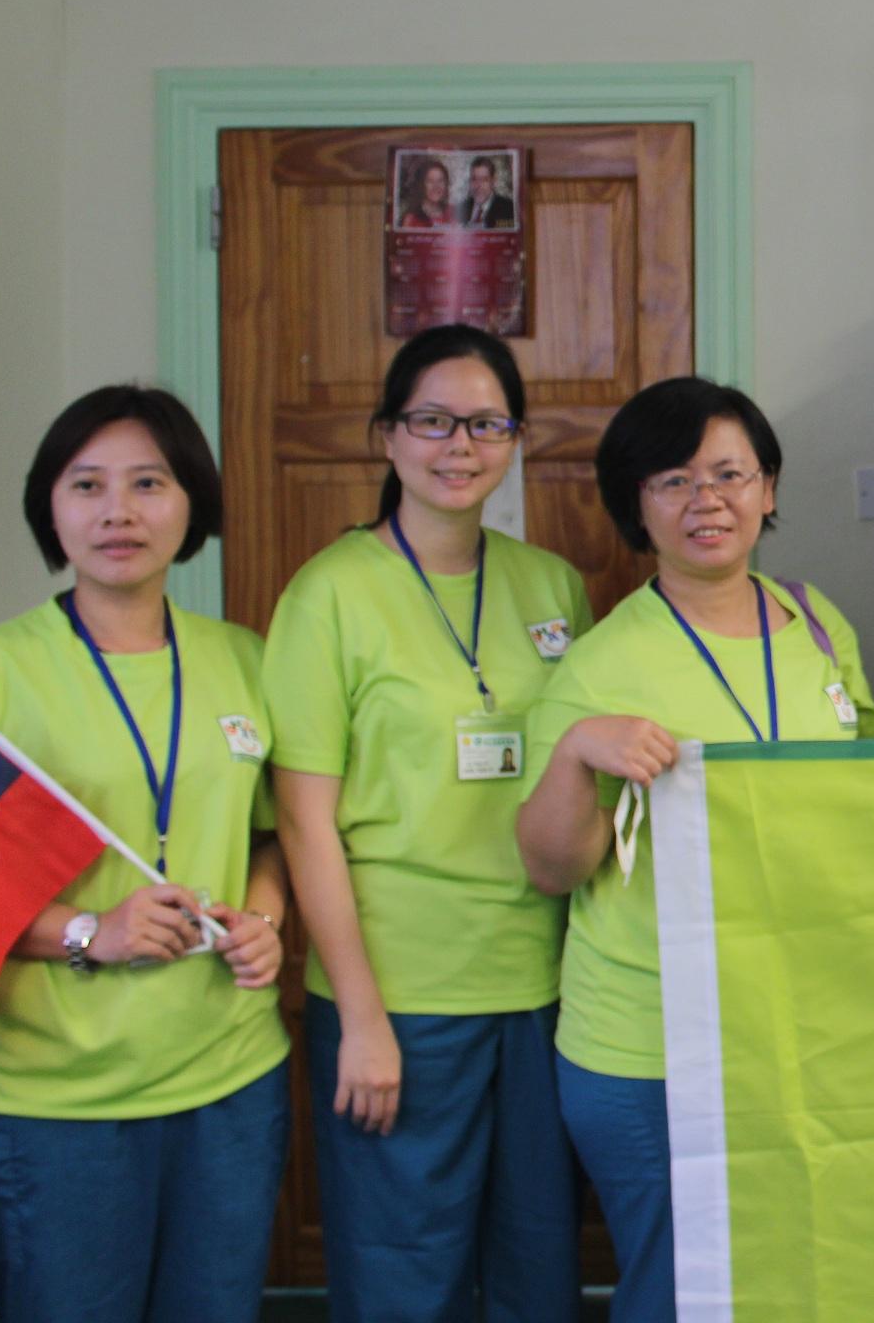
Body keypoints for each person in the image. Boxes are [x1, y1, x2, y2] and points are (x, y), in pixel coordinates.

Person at [517, 376, 874, 1322]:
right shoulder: (600, 664)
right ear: (636, 504)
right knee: (680, 1287)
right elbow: (553, 867)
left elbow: (866, 800)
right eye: (672, 480)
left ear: (768, 489)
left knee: (801, 1274)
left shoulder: (817, 623)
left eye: (729, 474)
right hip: (650, 1041)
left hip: (799, 1026)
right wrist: (574, 754)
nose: (705, 500)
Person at [0, 386, 289, 1323]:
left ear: (191, 503)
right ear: (50, 506)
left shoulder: (245, 658)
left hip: (231, 1084)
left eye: (148, 483)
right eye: (86, 484)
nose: (118, 511)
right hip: (61, 1106)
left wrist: (267, 918)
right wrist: (94, 930)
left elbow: (270, 834)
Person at [264, 324, 592, 1321]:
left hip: (542, 989)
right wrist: (360, 1016)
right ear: (386, 437)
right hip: (400, 996)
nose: (461, 445)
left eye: (487, 423)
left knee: (540, 1269)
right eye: (434, 421)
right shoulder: (330, 596)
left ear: (515, 439)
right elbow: (304, 822)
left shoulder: (551, 587)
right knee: (406, 1276)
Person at [460, 155, 517, 230]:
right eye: (474, 179)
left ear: (493, 181)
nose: (478, 185)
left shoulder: (510, 209)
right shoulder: (462, 207)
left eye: (484, 180)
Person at [399, 157, 455, 229]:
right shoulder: (411, 219)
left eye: (440, 181)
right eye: (430, 181)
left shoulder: (452, 212)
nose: (436, 186)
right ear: (421, 185)